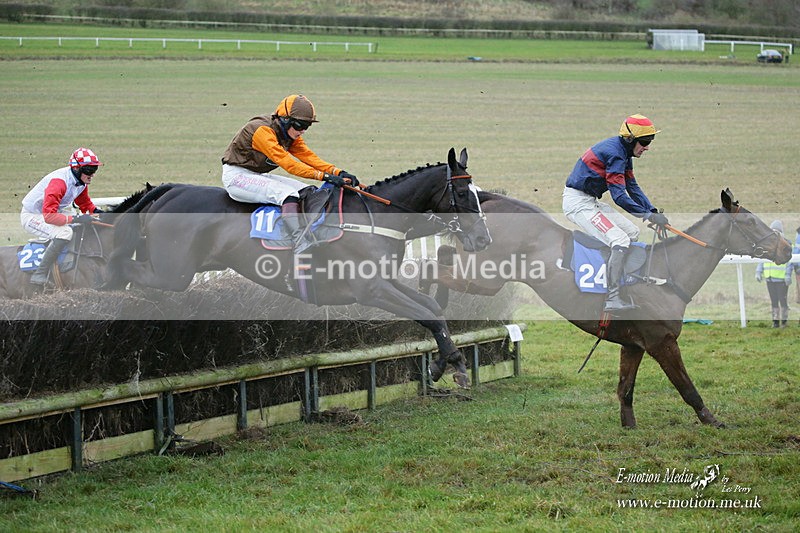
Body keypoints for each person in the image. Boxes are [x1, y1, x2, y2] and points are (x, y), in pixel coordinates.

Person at [221, 94, 358, 252]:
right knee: (288, 195)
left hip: (256, 175)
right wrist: (325, 176)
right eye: (300, 125)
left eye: (307, 126)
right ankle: (299, 241)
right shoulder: (262, 131)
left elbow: (308, 156)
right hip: (237, 177)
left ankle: (312, 231)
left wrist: (337, 171)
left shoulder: (288, 133)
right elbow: (289, 164)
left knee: (306, 190)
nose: (302, 131)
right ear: (285, 120)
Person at [563, 114, 669, 312]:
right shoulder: (616, 154)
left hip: (590, 201)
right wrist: (646, 216)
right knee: (619, 240)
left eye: (650, 141)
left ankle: (618, 281)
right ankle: (612, 298)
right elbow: (619, 196)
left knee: (632, 233)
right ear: (630, 139)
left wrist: (652, 211)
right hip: (578, 203)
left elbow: (632, 187)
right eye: (645, 142)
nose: (647, 147)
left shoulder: (624, 153)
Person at [20, 148, 103, 285]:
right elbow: (49, 217)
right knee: (65, 232)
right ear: (76, 168)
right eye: (89, 170)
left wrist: (100, 213)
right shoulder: (59, 183)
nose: (92, 174)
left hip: (52, 212)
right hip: (33, 215)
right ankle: (39, 273)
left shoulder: (80, 181)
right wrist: (77, 218)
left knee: (87, 221)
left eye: (95, 169)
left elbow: (84, 203)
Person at [756, 220, 793, 327]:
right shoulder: (768, 245)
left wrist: (787, 275)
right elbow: (762, 258)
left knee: (783, 300)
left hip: (782, 279)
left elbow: (790, 262)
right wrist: (759, 271)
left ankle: (784, 322)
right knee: (774, 301)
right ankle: (775, 322)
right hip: (769, 278)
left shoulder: (787, 244)